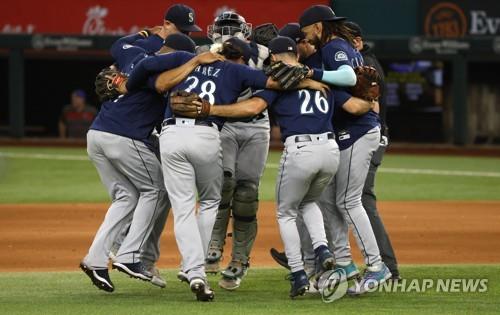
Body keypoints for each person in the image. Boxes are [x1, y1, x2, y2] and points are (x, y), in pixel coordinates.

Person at [125, 37, 327, 301]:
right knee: (210, 201)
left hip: (171, 133)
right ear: (242, 57)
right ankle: (194, 268)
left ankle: (194, 269)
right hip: (207, 134)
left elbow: (146, 67)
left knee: (184, 208)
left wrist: (128, 86)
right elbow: (276, 82)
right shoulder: (237, 70)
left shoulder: (185, 59)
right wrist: (309, 81)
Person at [178, 36, 378, 298]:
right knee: (309, 203)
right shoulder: (323, 80)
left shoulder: (278, 82)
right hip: (330, 151)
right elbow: (355, 106)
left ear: (272, 57)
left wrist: (211, 109)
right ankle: (322, 249)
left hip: (301, 150)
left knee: (286, 213)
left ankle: (298, 274)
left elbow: (253, 106)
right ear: (297, 54)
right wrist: (373, 100)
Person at [80, 29, 216, 293]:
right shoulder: (158, 69)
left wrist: (143, 33)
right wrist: (195, 60)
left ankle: (95, 260)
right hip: (123, 136)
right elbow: (158, 74)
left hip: (96, 134)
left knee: (126, 197)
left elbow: (120, 44)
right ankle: (130, 255)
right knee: (157, 188)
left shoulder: (131, 57)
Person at [300, 4, 392, 295]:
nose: (305, 36)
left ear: (317, 26)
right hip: (345, 133)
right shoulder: (330, 48)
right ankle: (344, 264)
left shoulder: (334, 45)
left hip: (359, 130)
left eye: (306, 31)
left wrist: (311, 71)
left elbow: (349, 78)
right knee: (327, 200)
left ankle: (377, 267)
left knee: (349, 201)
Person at [203, 11, 272, 291]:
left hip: (256, 125)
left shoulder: (264, 51)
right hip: (225, 124)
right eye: (224, 27)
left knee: (246, 193)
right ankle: (214, 243)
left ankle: (240, 259)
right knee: (224, 183)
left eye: (233, 28)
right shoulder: (205, 53)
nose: (228, 32)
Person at [344, 20, 400, 281]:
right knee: (341, 197)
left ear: (357, 41)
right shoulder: (356, 61)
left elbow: (371, 106)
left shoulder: (366, 63)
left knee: (361, 200)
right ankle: (323, 256)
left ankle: (387, 267)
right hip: (364, 138)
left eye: (345, 41)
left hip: (371, 138)